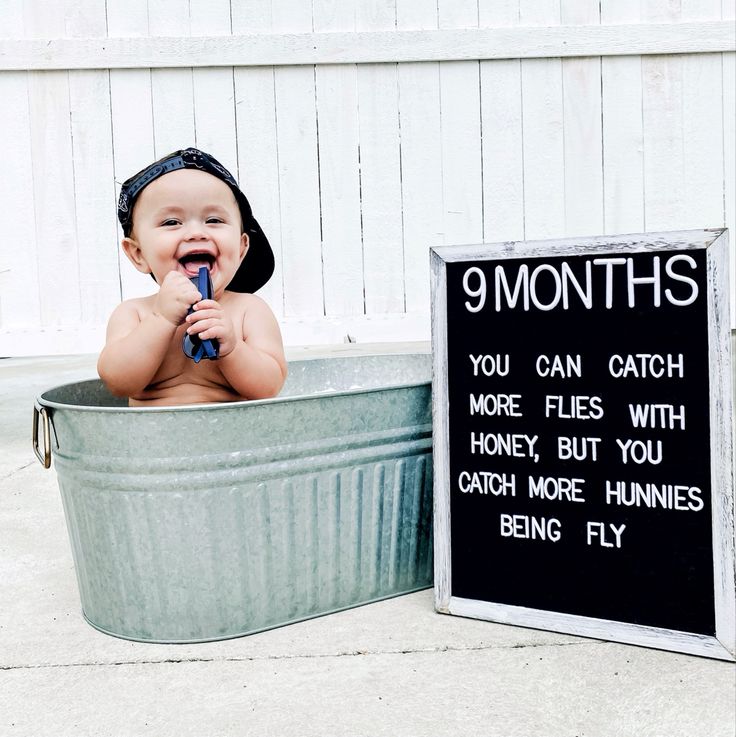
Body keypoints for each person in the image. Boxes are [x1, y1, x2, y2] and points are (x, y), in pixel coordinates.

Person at [97, 148, 287, 406]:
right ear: (138, 254)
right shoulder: (134, 314)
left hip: (237, 440)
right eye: (172, 222)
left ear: (242, 248)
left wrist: (233, 349)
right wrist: (160, 320)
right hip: (150, 441)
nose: (196, 232)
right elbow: (118, 383)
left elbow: (270, 387)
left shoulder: (248, 311)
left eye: (214, 219)